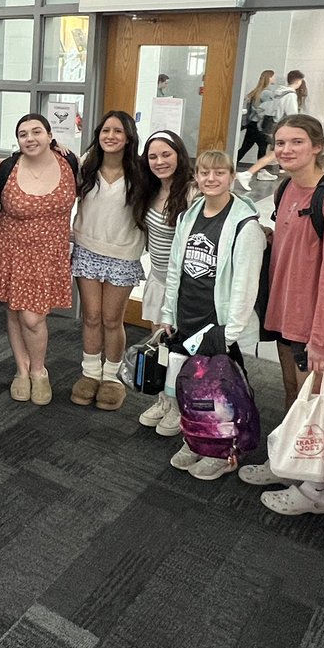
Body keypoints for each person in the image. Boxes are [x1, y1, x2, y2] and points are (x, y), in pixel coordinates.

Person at [238, 114, 324, 516]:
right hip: (287, 316)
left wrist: (323, 339)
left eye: (296, 142)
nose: (286, 150)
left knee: (316, 408)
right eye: (280, 143)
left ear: (316, 147)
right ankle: (287, 464)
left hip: (321, 327)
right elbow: (294, 246)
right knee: (295, 399)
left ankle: (315, 491)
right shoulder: (286, 189)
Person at [159, 150, 264, 480]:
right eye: (204, 172)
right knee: (192, 390)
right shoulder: (188, 216)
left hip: (217, 325)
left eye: (219, 172)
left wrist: (229, 332)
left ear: (232, 176)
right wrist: (168, 312)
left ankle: (224, 452)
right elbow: (175, 268)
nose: (211, 178)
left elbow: (246, 284)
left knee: (221, 394)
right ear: (197, 177)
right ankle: (197, 440)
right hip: (187, 318)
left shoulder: (245, 225)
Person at [0, 113, 78, 405]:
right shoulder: (8, 167)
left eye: (37, 131)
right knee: (15, 311)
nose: (30, 138)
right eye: (23, 134)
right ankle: (22, 370)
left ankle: (39, 371)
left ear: (50, 136)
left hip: (48, 254)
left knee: (32, 317)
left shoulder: (69, 162)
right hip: (11, 248)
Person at [69, 111, 145, 412]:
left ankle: (112, 377)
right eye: (105, 131)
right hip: (87, 249)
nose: (110, 136)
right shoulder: (86, 167)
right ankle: (90, 373)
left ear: (128, 137)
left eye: (118, 131)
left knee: (112, 319)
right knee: (91, 316)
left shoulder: (141, 172)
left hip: (123, 254)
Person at [134, 130, 194, 434]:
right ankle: (164, 400)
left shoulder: (192, 193)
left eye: (166, 154)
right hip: (158, 278)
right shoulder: (150, 189)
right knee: (160, 344)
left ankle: (180, 407)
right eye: (153, 156)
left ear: (179, 155)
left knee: (180, 349)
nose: (159, 161)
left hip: (184, 286)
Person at [236, 70, 308, 190]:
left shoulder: (279, 93)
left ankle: (250, 174)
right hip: (283, 129)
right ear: (299, 81)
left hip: (273, 127)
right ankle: (248, 174)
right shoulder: (289, 95)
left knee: (270, 152)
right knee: (271, 152)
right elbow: (292, 115)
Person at [235, 70, 274, 168]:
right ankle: (261, 170)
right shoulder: (267, 93)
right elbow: (268, 109)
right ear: (269, 78)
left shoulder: (257, 91)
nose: (275, 78)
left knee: (246, 148)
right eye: (273, 76)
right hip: (259, 125)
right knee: (262, 148)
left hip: (252, 124)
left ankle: (230, 165)